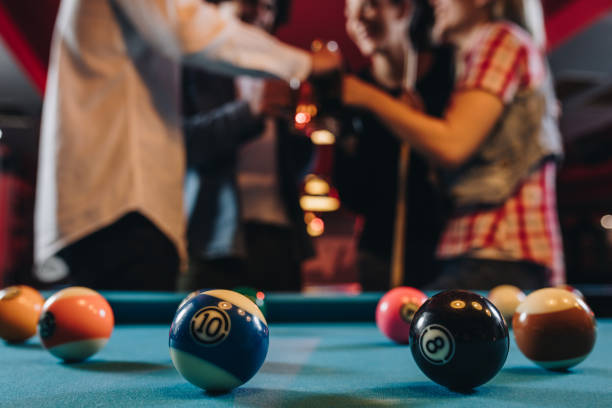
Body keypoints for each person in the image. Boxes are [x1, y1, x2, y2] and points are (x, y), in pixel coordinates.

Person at [34, 0, 339, 290]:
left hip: (123, 210)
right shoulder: (197, 55)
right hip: (123, 207)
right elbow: (183, 29)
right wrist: (307, 62)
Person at [342, 0, 564, 289]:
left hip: (498, 248)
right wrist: (416, 120)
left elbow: (452, 146)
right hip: (492, 252)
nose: (434, 2)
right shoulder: (476, 53)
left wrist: (368, 97)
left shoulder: (499, 40)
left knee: (428, 326)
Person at [179, 0, 313, 292]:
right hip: (213, 241)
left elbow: (299, 166)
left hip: (281, 241)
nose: (262, 15)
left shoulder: (280, 71)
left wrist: (301, 130)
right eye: (251, 3)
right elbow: (184, 146)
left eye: (270, 7)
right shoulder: (193, 66)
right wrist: (249, 112)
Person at [334, 0, 454, 290]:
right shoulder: (351, 91)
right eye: (350, 13)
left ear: (404, 9)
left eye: (370, 6)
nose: (358, 21)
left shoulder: (449, 72)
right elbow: (350, 195)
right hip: (378, 253)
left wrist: (415, 126)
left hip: (447, 250)